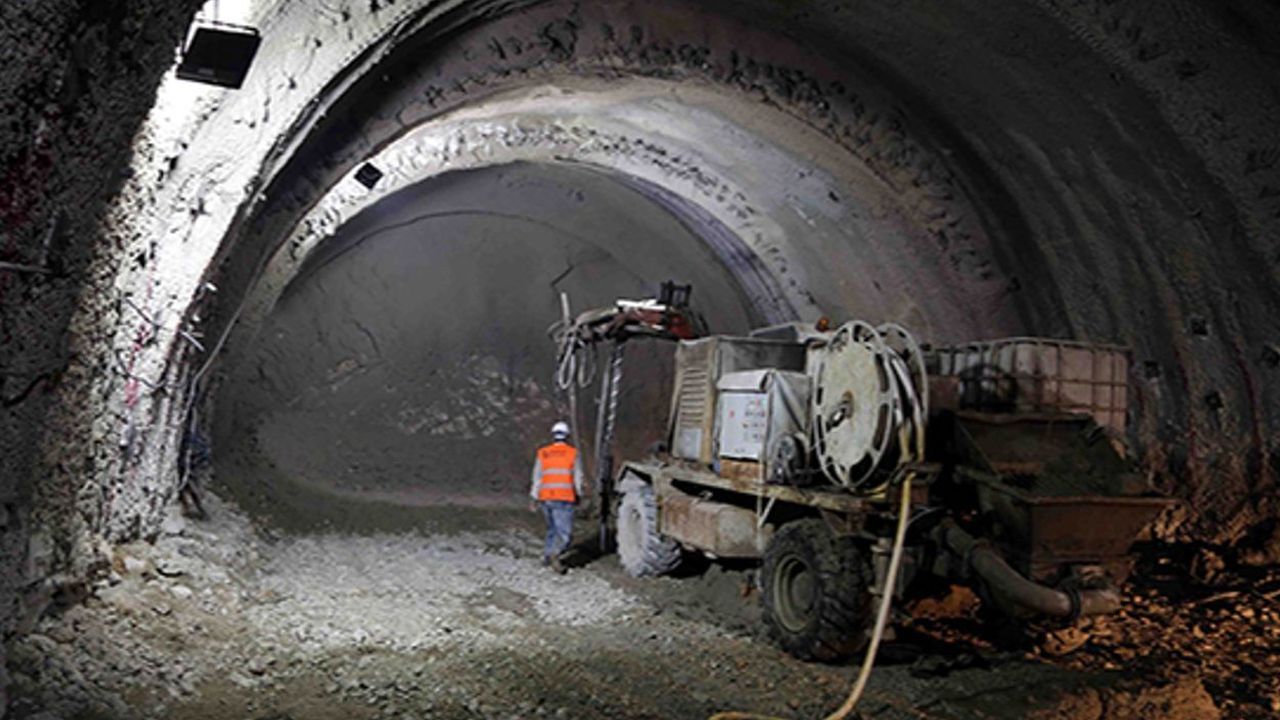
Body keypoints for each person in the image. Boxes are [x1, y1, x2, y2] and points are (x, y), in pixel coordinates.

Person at [529, 420, 585, 574]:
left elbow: (537, 477)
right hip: (564, 497)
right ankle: (556, 554)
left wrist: (534, 497)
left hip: (546, 497)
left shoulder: (543, 452)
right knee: (564, 534)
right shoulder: (573, 453)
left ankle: (547, 556)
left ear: (553, 435)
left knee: (552, 529)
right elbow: (578, 477)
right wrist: (579, 494)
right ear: (567, 435)